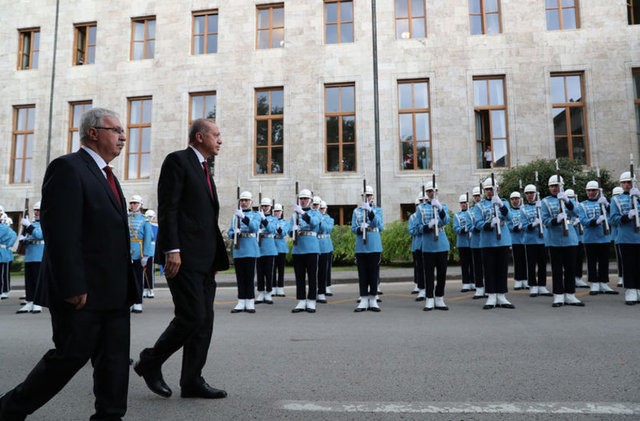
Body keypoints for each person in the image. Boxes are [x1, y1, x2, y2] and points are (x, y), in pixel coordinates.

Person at [0, 108, 137, 420]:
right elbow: (61, 233)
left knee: (115, 361)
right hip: (83, 292)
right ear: (93, 132)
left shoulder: (108, 175)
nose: (123, 137)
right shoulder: (68, 168)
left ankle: (109, 416)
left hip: (115, 291)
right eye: (116, 130)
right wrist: (73, 285)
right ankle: (8, 409)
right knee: (68, 357)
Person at [133, 118, 229, 400]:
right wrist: (171, 249)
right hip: (183, 258)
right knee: (192, 317)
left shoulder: (205, 168)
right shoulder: (178, 161)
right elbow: (169, 207)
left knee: (205, 322)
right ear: (200, 137)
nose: (220, 139)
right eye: (216, 135)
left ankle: (192, 381)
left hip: (205, 260)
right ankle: (150, 361)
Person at [470, 178, 514, 309]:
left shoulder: (504, 202)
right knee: (489, 269)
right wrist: (489, 224)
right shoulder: (479, 206)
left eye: (492, 189)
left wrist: (500, 205)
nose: (490, 191)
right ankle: (491, 295)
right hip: (487, 241)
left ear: (498, 190)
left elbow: (509, 217)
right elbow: (477, 223)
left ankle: (501, 295)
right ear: (485, 191)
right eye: (488, 189)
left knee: (502, 269)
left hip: (502, 240)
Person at [541, 175, 584, 307]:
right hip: (554, 240)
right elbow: (545, 220)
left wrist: (567, 201)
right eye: (552, 186)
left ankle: (570, 294)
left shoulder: (569, 200)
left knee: (570, 269)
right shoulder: (545, 202)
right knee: (557, 269)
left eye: (556, 185)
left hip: (570, 239)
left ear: (562, 186)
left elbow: (577, 213)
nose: (554, 188)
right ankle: (558, 295)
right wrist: (556, 220)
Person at [578, 181, 618, 296]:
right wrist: (595, 221)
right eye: (589, 190)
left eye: (593, 190)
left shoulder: (604, 203)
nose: (591, 192)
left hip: (604, 237)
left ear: (598, 191)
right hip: (590, 238)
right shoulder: (582, 205)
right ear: (586, 192)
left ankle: (604, 283)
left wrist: (607, 206)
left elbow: (612, 219)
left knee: (604, 261)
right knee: (591, 262)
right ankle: (594, 283)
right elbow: (583, 220)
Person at [610, 171, 640, 305]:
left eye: (629, 182)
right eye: (624, 182)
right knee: (628, 265)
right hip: (626, 237)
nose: (627, 185)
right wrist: (627, 217)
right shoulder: (616, 199)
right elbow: (613, 219)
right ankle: (631, 291)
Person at [352, 185, 383, 312]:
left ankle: (373, 298)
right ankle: (364, 299)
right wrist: (360, 228)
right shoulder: (356, 211)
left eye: (369, 195)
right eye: (365, 195)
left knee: (374, 273)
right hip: (361, 246)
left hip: (374, 245)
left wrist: (370, 211)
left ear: (372, 197)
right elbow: (353, 228)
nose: (367, 197)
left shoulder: (378, 210)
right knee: (363, 274)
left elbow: (378, 224)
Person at [228, 191, 260, 313]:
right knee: (240, 277)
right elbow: (230, 232)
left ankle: (250, 301)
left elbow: (254, 228)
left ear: (251, 202)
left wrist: (243, 217)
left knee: (249, 277)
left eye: (246, 200)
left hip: (250, 249)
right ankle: (241, 301)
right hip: (239, 249)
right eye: (242, 200)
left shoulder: (255, 215)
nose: (244, 202)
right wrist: (234, 233)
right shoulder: (234, 216)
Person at [289, 189, 321, 313]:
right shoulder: (294, 214)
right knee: (300, 277)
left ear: (311, 200)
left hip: (312, 248)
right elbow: (288, 229)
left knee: (312, 276)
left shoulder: (315, 213)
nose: (303, 201)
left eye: (305, 199)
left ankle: (312, 300)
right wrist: (293, 229)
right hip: (298, 249)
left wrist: (302, 213)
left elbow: (313, 224)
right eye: (301, 199)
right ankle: (301, 300)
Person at [522, 184, 552, 297]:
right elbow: (524, 226)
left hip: (543, 240)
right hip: (530, 240)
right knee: (531, 264)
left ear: (536, 194)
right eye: (528, 193)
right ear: (525, 195)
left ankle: (542, 286)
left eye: (532, 193)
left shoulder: (542, 206)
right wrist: (532, 225)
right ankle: (533, 286)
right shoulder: (523, 209)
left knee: (542, 264)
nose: (530, 195)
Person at [16, 201, 44, 314]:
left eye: (38, 210)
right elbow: (28, 237)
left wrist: (29, 226)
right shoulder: (31, 224)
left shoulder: (45, 222)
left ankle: (38, 303)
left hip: (39, 255)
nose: (36, 212)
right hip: (29, 256)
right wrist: (23, 239)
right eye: (35, 210)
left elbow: (39, 235)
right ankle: (30, 301)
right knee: (29, 281)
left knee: (38, 280)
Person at [128, 194, 154, 313]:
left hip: (139, 252)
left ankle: (138, 302)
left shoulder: (145, 220)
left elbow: (148, 238)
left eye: (135, 203)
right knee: (127, 279)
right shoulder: (126, 218)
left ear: (140, 205)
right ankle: (130, 301)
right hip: (127, 253)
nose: (133, 205)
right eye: (131, 203)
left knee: (138, 278)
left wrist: (146, 255)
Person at [255, 197, 277, 305]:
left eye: (266, 206)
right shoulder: (256, 217)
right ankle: (261, 292)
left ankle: (268, 292)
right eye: (262, 206)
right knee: (259, 272)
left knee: (269, 272)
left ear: (270, 207)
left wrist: (264, 219)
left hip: (269, 247)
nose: (264, 208)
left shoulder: (273, 218)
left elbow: (272, 229)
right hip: (258, 247)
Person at [508, 192, 529, 290]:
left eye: (516, 199)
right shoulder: (510, 212)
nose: (515, 201)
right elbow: (508, 225)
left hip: (525, 239)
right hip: (515, 239)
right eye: (513, 199)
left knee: (526, 260)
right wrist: (515, 228)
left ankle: (525, 280)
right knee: (517, 261)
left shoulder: (524, 210)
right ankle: (518, 280)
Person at [454, 194, 474, 293]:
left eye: (465, 203)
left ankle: (473, 281)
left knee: (473, 263)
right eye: (462, 203)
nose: (463, 205)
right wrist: (463, 229)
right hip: (462, 242)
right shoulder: (457, 215)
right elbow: (456, 228)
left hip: (472, 242)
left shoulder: (472, 213)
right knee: (465, 264)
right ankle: (466, 283)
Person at [317, 200, 334, 304]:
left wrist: (320, 220)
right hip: (316, 242)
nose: (322, 210)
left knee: (326, 268)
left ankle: (327, 286)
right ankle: (317, 287)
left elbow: (328, 229)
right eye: (320, 208)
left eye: (323, 208)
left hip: (326, 244)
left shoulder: (329, 219)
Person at [272, 203, 289, 297]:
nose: (276, 213)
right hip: (272, 246)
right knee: (272, 269)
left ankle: (280, 288)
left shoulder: (285, 222)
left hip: (281, 247)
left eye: (278, 211)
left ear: (281, 212)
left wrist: (278, 228)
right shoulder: (270, 221)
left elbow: (283, 233)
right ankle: (273, 287)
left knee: (281, 269)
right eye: (275, 211)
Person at [0, 211, 17, 300]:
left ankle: (5, 290)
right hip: (4, 252)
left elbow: (10, 243)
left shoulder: (8, 231)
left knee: (4, 274)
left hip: (5, 253)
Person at [143, 209, 158, 298]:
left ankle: (151, 289)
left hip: (151, 251)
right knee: (144, 271)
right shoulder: (145, 225)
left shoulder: (155, 226)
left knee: (149, 271)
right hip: (144, 250)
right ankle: (145, 289)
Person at [611, 186, 624, 287]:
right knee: (620, 258)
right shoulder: (613, 204)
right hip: (617, 235)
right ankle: (621, 276)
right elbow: (612, 219)